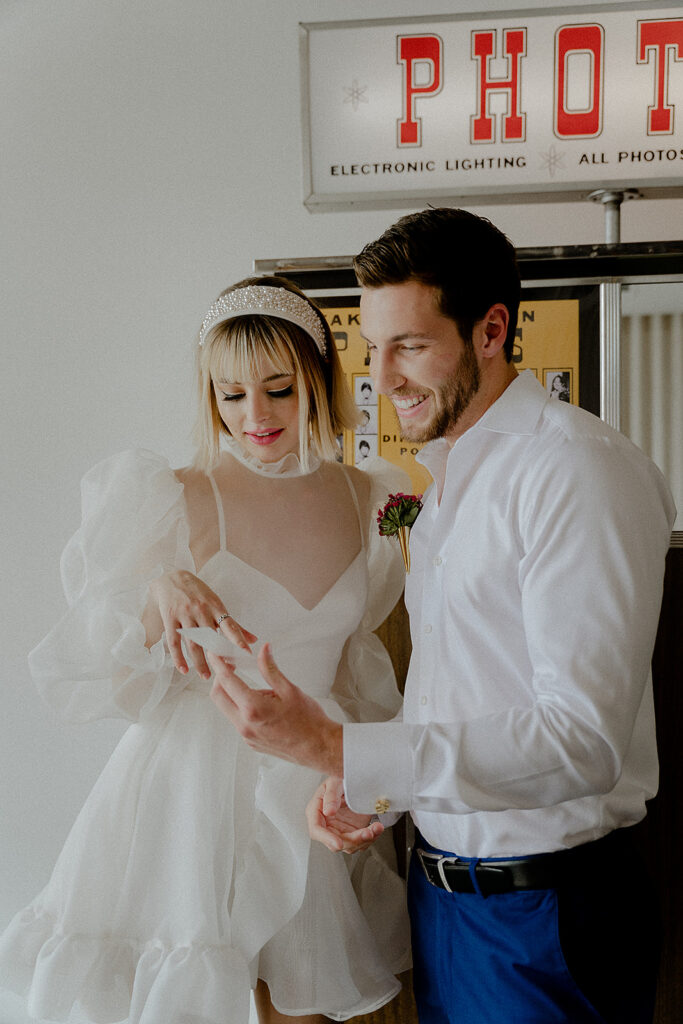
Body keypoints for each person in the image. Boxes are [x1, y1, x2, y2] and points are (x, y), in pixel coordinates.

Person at [207, 211, 676, 1024]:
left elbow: (582, 740)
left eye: (410, 346)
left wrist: (334, 745)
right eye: (371, 346)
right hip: (447, 903)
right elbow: (461, 690)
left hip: (541, 916)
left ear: (491, 330)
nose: (381, 377)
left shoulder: (575, 470)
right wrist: (370, 784)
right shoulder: (445, 482)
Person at [0, 276, 412, 1024]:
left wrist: (368, 779)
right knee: (191, 997)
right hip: (187, 789)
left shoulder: (370, 498)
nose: (254, 415)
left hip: (309, 773)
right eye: (230, 395)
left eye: (279, 389)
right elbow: (94, 670)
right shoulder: (172, 494)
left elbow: (360, 668)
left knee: (304, 1006)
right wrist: (156, 594)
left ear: (316, 380)